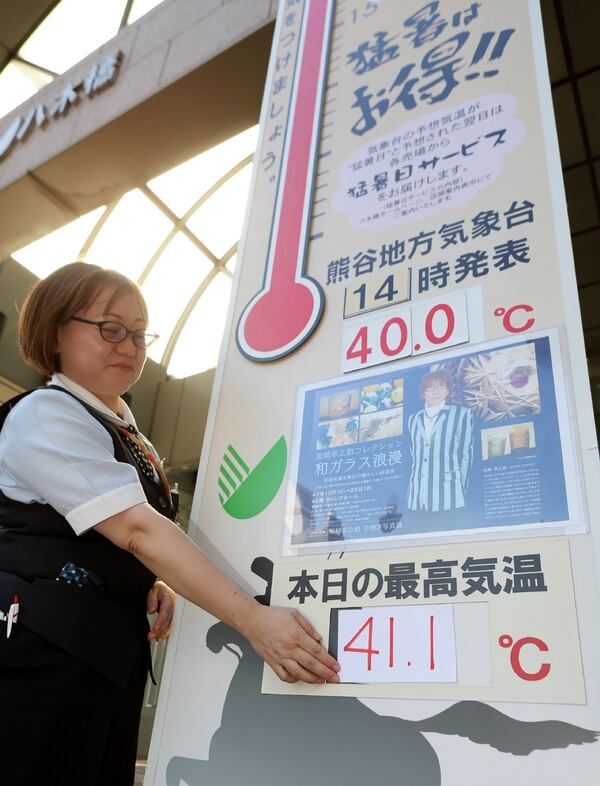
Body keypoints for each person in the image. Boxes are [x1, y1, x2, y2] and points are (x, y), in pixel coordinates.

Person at [0, 263, 339, 786]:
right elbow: (138, 530)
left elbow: (117, 539)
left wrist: (148, 580)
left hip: (107, 653)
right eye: (110, 328)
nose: (130, 345)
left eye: (139, 333)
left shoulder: (127, 430)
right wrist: (252, 620)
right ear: (54, 331)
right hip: (44, 654)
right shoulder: (47, 412)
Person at [407, 368, 473, 529]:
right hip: (417, 498)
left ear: (448, 391)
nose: (435, 391)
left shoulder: (461, 414)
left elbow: (466, 454)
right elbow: (414, 456)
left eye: (441, 386)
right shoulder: (413, 419)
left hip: (448, 497)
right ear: (423, 393)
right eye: (430, 387)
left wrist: (460, 487)